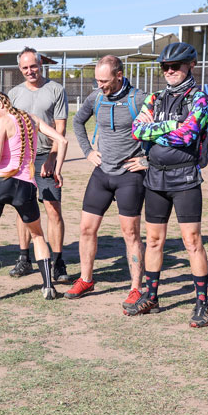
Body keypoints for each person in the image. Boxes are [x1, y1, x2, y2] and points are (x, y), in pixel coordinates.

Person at [128, 42, 208, 328]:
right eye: (165, 67)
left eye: (175, 66)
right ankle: (151, 297)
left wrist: (158, 132)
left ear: (191, 65)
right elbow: (137, 130)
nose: (169, 71)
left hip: (186, 179)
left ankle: (202, 304)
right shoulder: (154, 98)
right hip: (155, 178)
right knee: (153, 241)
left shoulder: (199, 98)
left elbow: (187, 136)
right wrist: (170, 126)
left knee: (192, 242)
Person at [0, 91, 68, 304]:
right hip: (25, 185)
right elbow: (61, 140)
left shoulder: (3, 121)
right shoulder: (32, 118)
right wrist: (57, 169)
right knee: (38, 236)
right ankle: (48, 286)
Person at [68, 55, 147, 309]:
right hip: (102, 173)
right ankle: (86, 279)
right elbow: (78, 121)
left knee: (130, 234)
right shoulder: (96, 97)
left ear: (119, 75)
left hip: (129, 176)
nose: (100, 85)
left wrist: (147, 160)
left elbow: (162, 130)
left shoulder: (139, 99)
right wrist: (88, 151)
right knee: (86, 229)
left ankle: (136, 288)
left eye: (104, 80)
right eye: (97, 80)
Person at [8, 47, 70, 283]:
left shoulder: (56, 90)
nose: (29, 71)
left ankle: (58, 262)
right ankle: (24, 258)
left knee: (52, 208)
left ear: (41, 64)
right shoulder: (14, 94)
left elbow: (61, 129)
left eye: (33, 66)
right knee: (21, 207)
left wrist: (54, 158)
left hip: (46, 155)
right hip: (21, 158)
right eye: (25, 68)